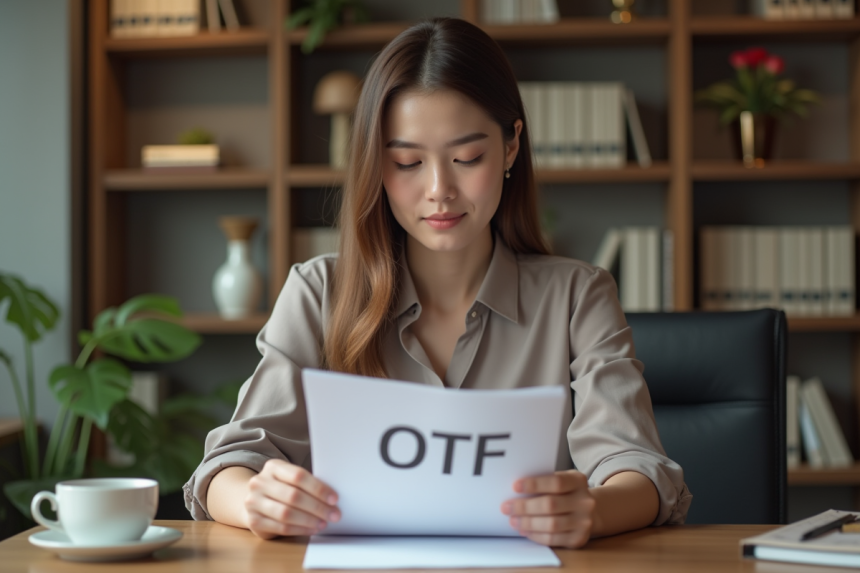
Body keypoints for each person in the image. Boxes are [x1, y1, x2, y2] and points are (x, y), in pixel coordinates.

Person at [183, 17, 691, 549]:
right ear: (376, 164)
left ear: (511, 147)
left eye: (467, 158)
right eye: (407, 162)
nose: (439, 189)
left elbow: (640, 468)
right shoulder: (318, 292)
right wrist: (255, 500)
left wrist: (595, 509)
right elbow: (227, 466)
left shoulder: (577, 296)